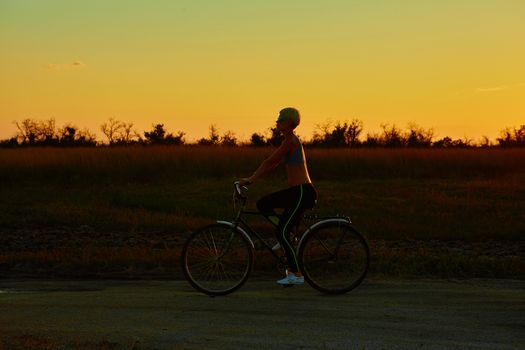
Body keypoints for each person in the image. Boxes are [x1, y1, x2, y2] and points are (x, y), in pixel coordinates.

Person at [239, 107, 317, 285]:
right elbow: (272, 165)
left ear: (290, 123)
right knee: (263, 204)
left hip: (302, 192)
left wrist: (250, 179)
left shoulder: (291, 141)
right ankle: (287, 235)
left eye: (281, 119)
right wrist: (255, 177)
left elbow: (270, 161)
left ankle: (296, 275)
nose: (277, 121)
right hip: (296, 192)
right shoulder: (288, 141)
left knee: (281, 232)